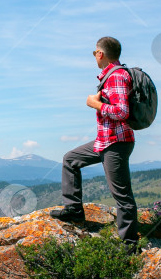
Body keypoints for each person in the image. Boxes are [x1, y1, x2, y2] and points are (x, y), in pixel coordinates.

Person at [50, 36, 139, 254]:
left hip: (116, 142)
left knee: (122, 195)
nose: (94, 57)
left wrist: (95, 104)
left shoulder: (117, 76)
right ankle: (74, 210)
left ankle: (129, 245)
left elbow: (122, 112)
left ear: (100, 54)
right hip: (105, 140)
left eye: (94, 53)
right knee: (70, 159)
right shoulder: (111, 75)